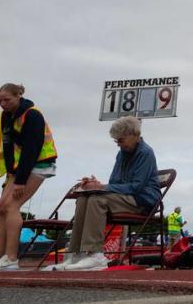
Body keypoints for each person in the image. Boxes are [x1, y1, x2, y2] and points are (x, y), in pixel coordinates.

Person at [51, 116, 160, 271]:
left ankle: (95, 254)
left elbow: (136, 187)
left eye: (121, 140)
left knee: (96, 200)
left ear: (135, 135)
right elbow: (114, 183)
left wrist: (103, 187)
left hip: (142, 201)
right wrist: (96, 185)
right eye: (116, 142)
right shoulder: (122, 153)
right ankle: (75, 253)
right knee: (83, 198)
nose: (119, 145)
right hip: (127, 197)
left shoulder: (146, 153)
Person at [0, 84, 57, 272]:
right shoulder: (6, 116)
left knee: (12, 206)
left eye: (7, 100)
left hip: (39, 164)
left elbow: (31, 149)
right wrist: (11, 173)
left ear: (18, 96)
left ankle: (11, 258)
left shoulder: (33, 115)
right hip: (19, 168)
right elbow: (8, 145)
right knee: (1, 206)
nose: (2, 104)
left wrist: (20, 181)